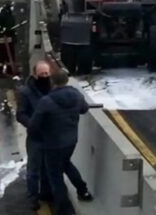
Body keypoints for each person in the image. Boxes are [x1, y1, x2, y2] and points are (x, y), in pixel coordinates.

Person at [16, 62, 92, 211]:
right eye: (42, 74)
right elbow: (21, 115)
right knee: (35, 169)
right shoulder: (26, 93)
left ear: (52, 78)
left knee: (53, 173)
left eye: (47, 74)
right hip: (43, 139)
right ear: (34, 75)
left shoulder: (48, 99)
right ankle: (34, 197)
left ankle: (54, 199)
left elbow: (38, 120)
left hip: (53, 141)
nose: (45, 77)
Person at [0, 1, 18, 78]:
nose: (12, 8)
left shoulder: (11, 15)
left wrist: (14, 36)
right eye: (11, 6)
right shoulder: (1, 15)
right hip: (3, 40)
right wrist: (1, 29)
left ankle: (10, 70)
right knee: (1, 56)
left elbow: (12, 26)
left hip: (10, 39)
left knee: (10, 56)